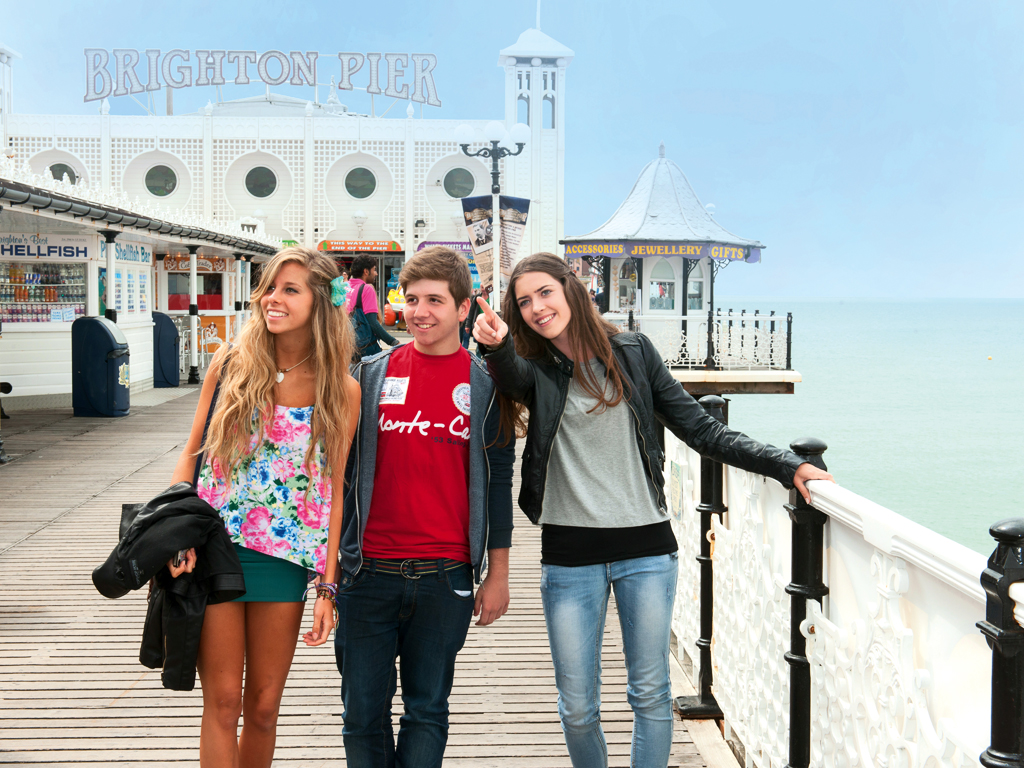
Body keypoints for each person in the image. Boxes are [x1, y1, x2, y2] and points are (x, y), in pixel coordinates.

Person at [473, 252, 833, 768]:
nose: (536, 307)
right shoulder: (536, 369)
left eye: (544, 292)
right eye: (524, 301)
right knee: (577, 707)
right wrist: (498, 344)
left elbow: (703, 429)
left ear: (572, 287)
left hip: (647, 550)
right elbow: (509, 375)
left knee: (650, 694)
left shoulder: (634, 352)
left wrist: (785, 465)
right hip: (570, 555)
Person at [169, 246, 360, 768]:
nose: (273, 299)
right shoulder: (230, 362)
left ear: (320, 302)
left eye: (289, 289)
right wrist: (178, 534)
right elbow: (191, 456)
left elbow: (334, 489)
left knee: (263, 707)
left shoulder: (341, 388)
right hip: (214, 550)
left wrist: (328, 585)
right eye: (269, 287)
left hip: (284, 559)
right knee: (223, 700)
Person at [335, 245, 516, 768]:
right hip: (368, 572)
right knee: (361, 714)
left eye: (435, 300)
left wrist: (497, 573)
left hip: (446, 577)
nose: (420, 311)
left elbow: (498, 482)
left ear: (464, 309)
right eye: (411, 299)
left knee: (427, 711)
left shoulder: (485, 387)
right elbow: (339, 477)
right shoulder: (370, 376)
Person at [347, 254, 399, 359]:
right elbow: (373, 323)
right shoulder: (366, 289)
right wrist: (393, 342)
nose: (376, 273)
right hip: (364, 351)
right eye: (374, 270)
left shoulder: (344, 287)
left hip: (345, 347)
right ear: (366, 272)